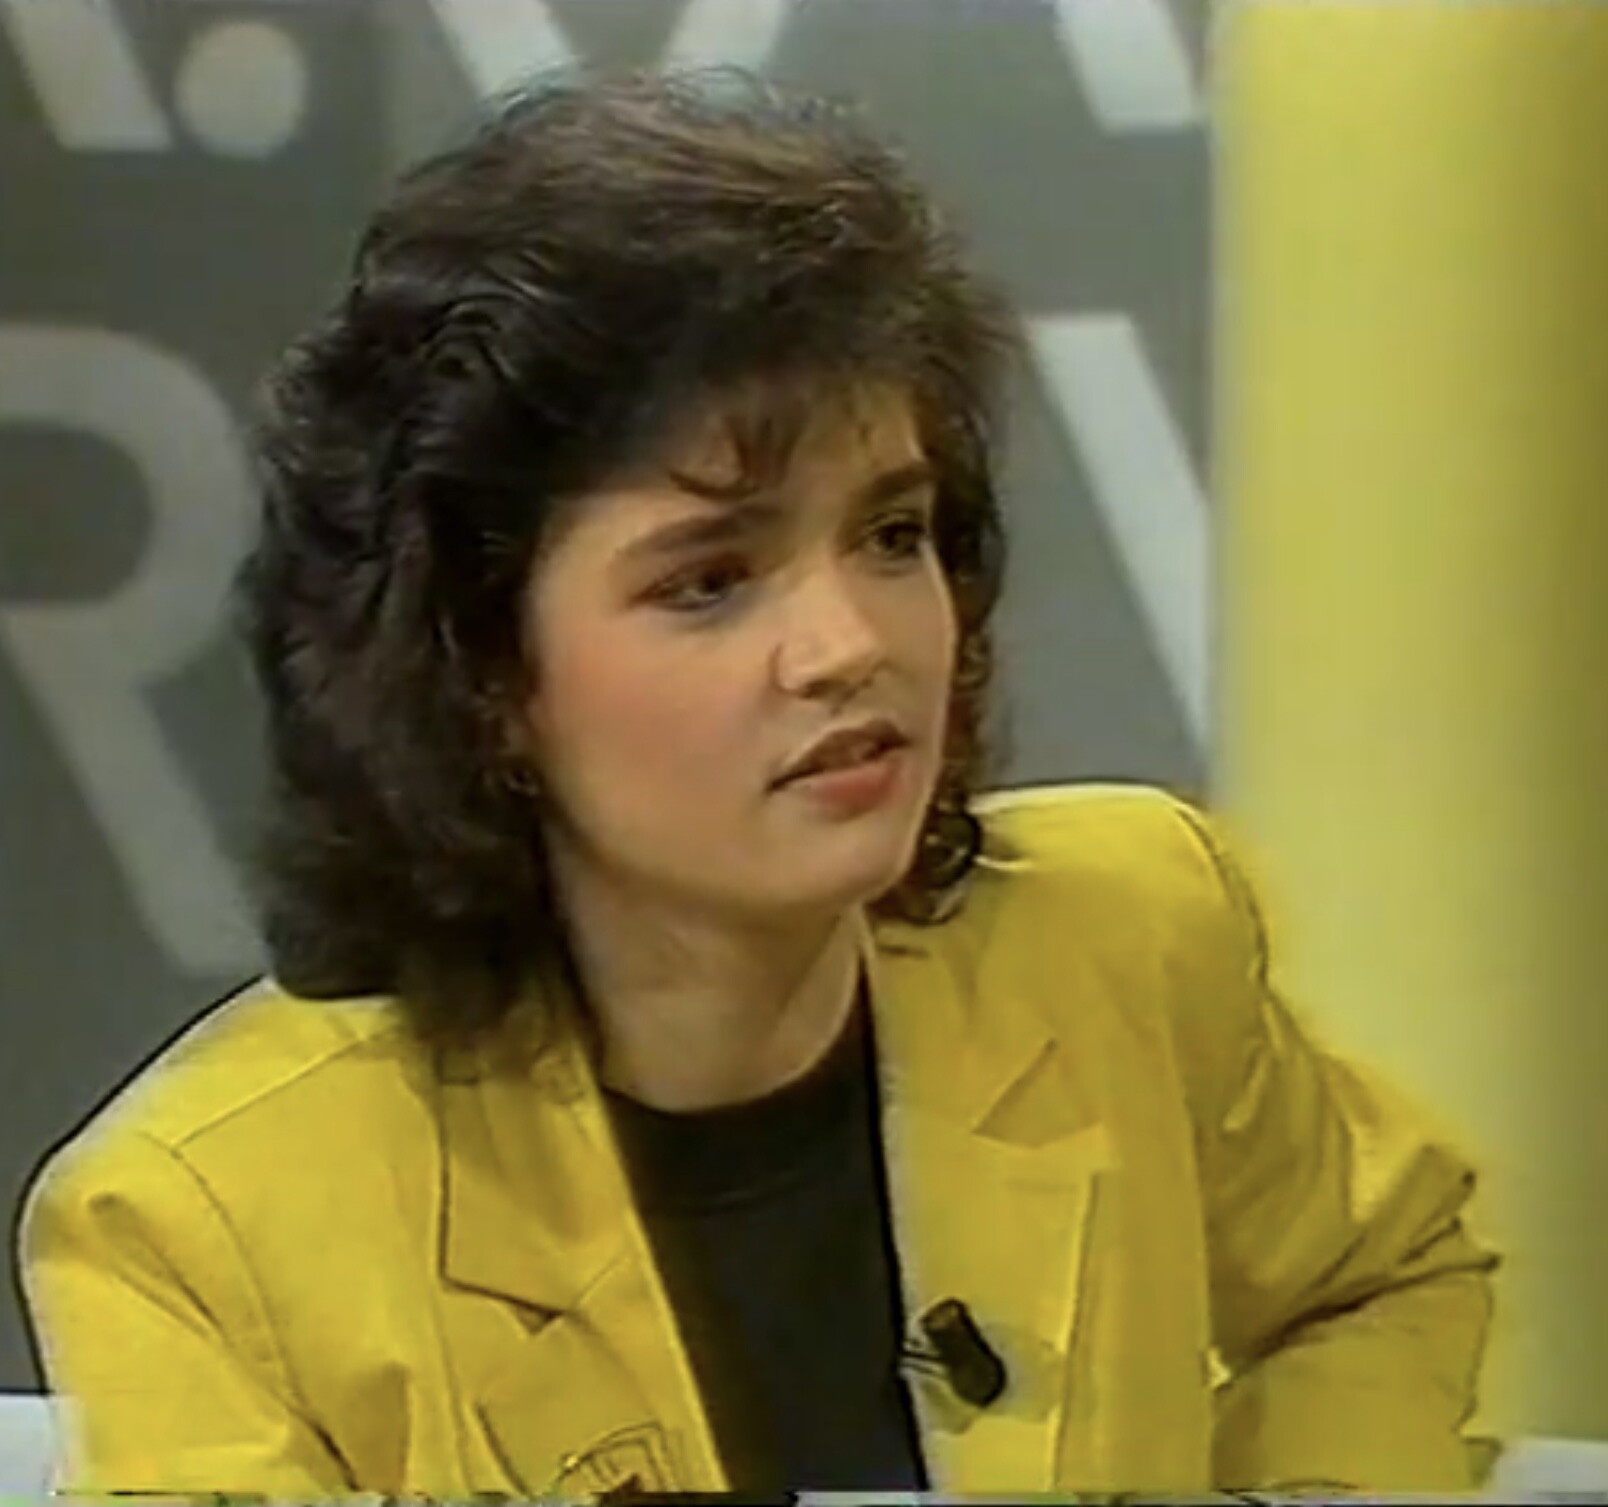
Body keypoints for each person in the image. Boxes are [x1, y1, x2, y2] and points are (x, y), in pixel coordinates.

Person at [17, 67, 1496, 1500]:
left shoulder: (1132, 940)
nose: (850, 647)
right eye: (710, 581)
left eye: (892, 535)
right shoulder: (204, 1227)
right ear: (480, 673)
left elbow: (1378, 1280)